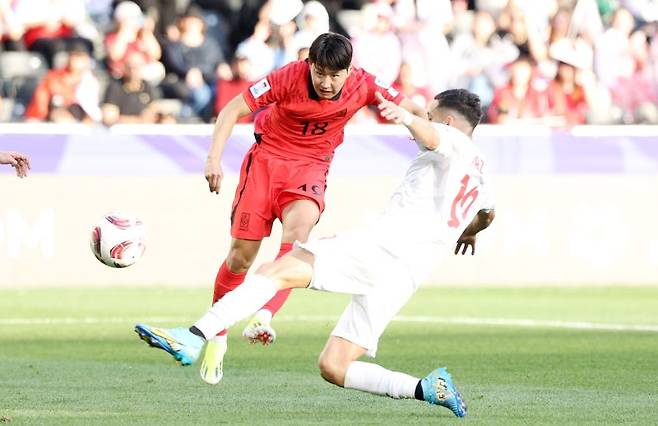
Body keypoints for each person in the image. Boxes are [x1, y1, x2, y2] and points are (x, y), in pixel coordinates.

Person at [135, 88, 495, 418]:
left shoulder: (449, 137)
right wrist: (471, 232)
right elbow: (487, 214)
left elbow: (432, 135)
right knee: (335, 366)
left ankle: (194, 336)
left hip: (382, 248)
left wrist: (408, 118)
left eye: (431, 114)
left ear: (448, 121)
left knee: (277, 271)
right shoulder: (481, 173)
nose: (427, 119)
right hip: (406, 275)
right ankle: (426, 388)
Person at [196, 32, 427, 386]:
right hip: (266, 161)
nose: (326, 82)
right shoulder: (288, 77)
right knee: (239, 260)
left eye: (335, 75)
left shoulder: (364, 83)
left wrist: (412, 121)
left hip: (310, 167)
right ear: (310, 65)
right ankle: (218, 337)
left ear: (349, 72)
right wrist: (214, 158)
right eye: (320, 73)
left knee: (298, 238)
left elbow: (414, 107)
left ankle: (263, 316)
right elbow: (232, 109)